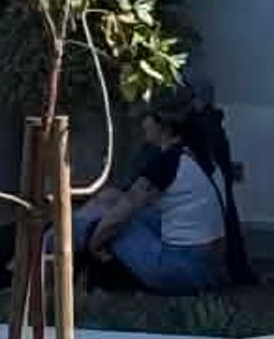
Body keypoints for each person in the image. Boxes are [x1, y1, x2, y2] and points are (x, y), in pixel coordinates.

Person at [87, 85, 248, 294]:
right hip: (211, 266)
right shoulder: (201, 154)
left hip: (184, 269)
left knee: (100, 225)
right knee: (109, 201)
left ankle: (69, 266)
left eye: (147, 118)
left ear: (163, 125)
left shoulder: (166, 164)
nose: (143, 124)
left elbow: (116, 220)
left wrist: (94, 245)